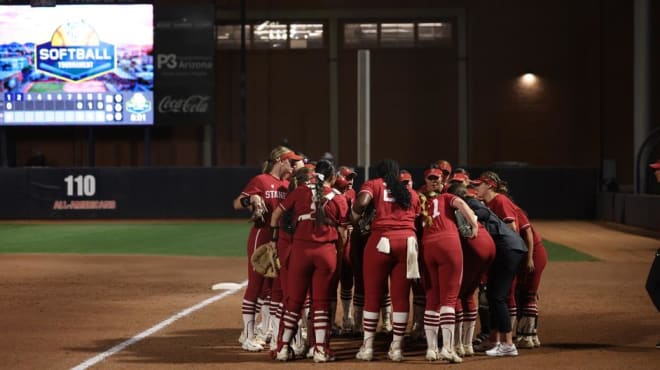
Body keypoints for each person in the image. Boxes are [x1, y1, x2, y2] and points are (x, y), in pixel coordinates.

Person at [269, 160, 348, 362]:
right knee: (321, 303)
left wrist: (274, 239)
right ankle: (320, 350)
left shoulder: (301, 191)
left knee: (294, 302)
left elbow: (277, 214)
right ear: (331, 177)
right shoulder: (338, 197)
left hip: (301, 251)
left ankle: (283, 348)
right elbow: (343, 233)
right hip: (326, 253)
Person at [232, 146, 303, 352]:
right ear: (280, 161)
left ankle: (268, 331)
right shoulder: (261, 180)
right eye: (291, 161)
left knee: (274, 289)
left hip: (280, 240)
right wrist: (251, 199)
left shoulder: (288, 184)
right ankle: (247, 335)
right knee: (255, 285)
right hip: (261, 236)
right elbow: (237, 203)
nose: (293, 165)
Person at [351, 159, 421, 362]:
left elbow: (362, 202)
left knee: (373, 294)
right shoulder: (410, 192)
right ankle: (397, 348)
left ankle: (368, 347)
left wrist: (355, 217)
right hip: (408, 242)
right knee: (401, 296)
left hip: (382, 240)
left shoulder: (373, 184)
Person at [418, 168, 479, 363]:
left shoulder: (421, 200)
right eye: (433, 178)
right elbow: (461, 203)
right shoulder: (446, 197)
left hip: (428, 247)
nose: (435, 181)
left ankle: (431, 349)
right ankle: (447, 348)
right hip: (448, 245)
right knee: (449, 298)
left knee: (433, 297)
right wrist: (474, 223)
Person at [472, 172, 528, 357]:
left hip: (509, 249)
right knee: (493, 295)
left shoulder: (500, 200)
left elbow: (512, 228)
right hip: (507, 250)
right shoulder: (488, 204)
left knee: (497, 297)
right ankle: (495, 340)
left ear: (489, 185)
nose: (476, 188)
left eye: (479, 185)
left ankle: (508, 344)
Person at [445, 182, 496, 357]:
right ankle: (467, 345)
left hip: (475, 245)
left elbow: (463, 231)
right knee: (468, 294)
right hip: (488, 244)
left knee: (458, 294)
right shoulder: (473, 203)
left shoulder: (457, 206)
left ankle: (459, 344)